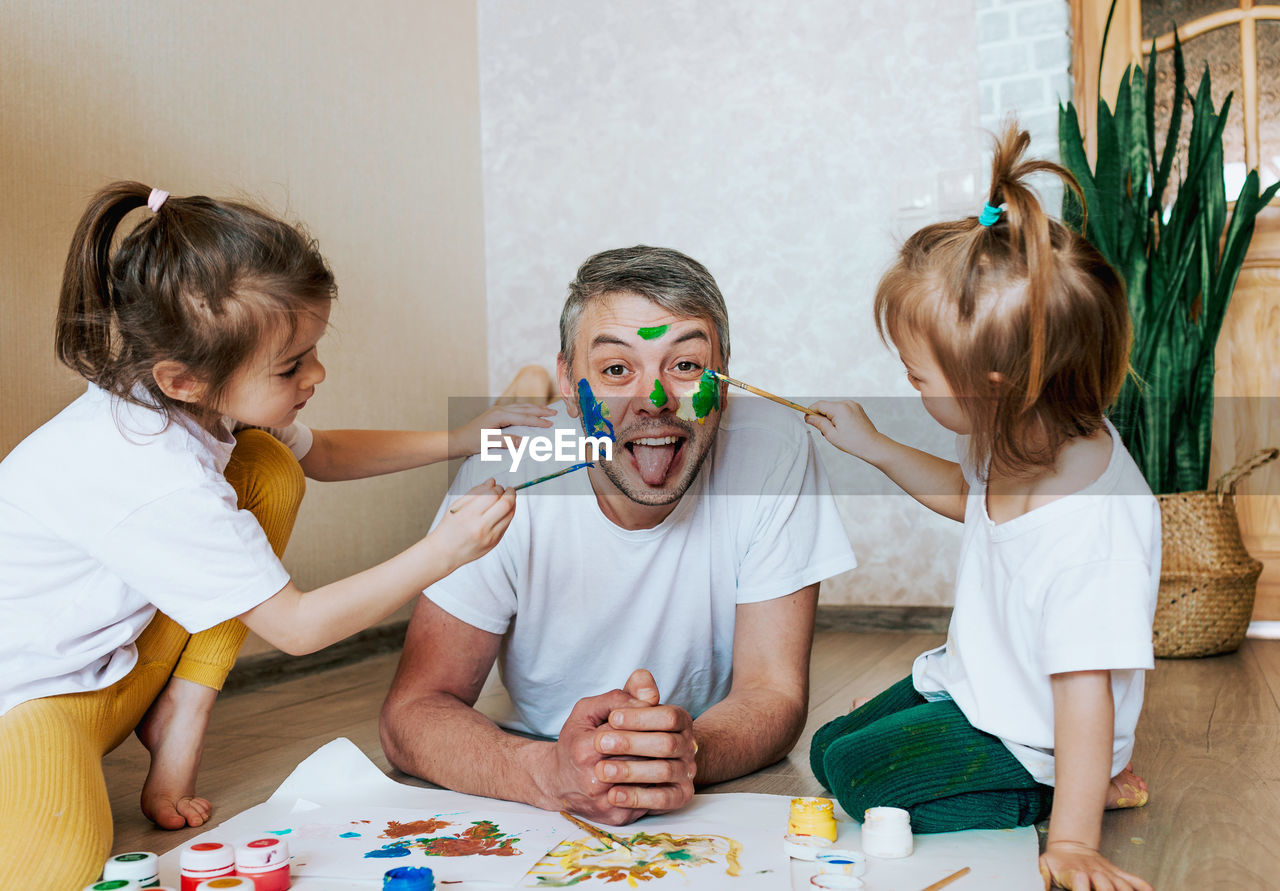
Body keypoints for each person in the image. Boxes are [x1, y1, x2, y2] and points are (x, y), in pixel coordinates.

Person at [0, 182, 552, 887]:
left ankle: (179, 716)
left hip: (114, 666)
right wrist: (441, 551)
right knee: (52, 869)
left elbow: (321, 455)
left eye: (314, 349)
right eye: (293, 365)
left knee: (271, 466)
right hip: (31, 702)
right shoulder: (150, 472)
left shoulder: (195, 403)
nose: (317, 373)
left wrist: (461, 437)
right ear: (183, 378)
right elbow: (294, 628)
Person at [380, 245, 857, 825]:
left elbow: (773, 692)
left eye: (685, 367)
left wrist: (680, 756)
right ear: (566, 382)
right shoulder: (504, 471)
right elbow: (413, 710)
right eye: (614, 370)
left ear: (725, 380)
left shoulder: (776, 447)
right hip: (540, 740)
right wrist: (545, 772)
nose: (653, 401)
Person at [805, 124, 1157, 891]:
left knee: (858, 777)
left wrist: (1071, 836)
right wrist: (872, 445)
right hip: (978, 685)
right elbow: (976, 505)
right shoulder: (1029, 424)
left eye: (920, 378)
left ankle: (1079, 785)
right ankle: (1070, 769)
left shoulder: (1090, 534)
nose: (914, 389)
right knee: (828, 744)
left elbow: (1084, 689)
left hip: (1037, 737)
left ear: (996, 384)